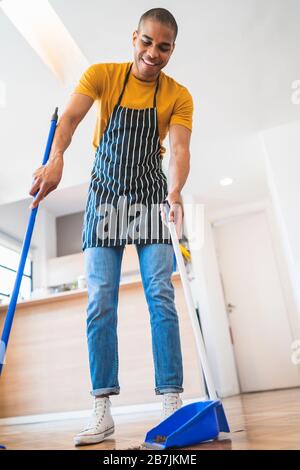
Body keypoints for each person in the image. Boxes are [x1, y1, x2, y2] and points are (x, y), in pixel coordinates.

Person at [29, 7, 193, 446]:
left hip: (149, 196)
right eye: (147, 42)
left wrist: (174, 194)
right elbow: (70, 120)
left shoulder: (178, 95)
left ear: (172, 49)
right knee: (100, 301)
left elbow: (177, 151)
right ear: (133, 38)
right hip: (104, 198)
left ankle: (171, 404)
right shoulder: (102, 75)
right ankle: (102, 410)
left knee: (160, 293)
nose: (152, 53)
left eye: (163, 47)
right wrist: (57, 157)